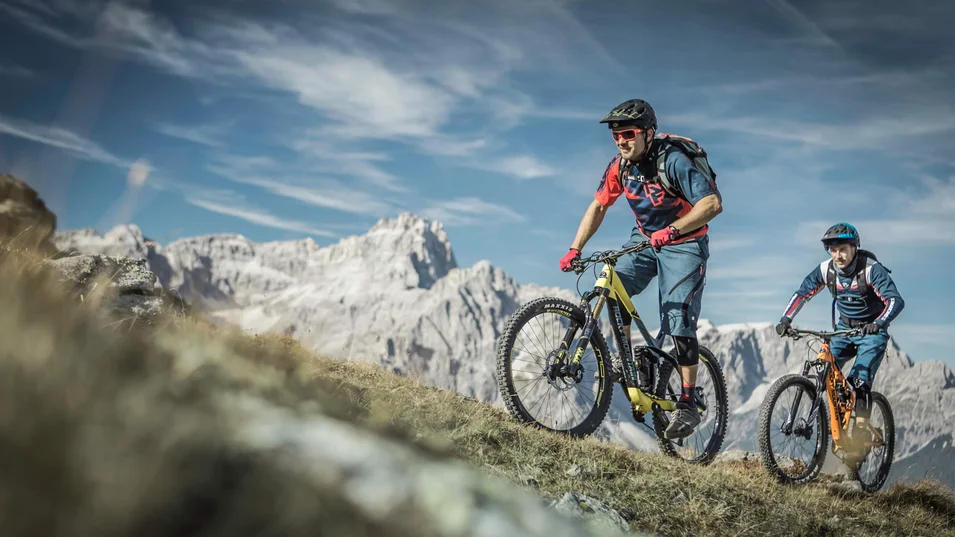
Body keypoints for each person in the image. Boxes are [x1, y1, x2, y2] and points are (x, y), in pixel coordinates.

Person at [559, 98, 723, 440]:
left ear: (648, 133)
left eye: (628, 134)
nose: (621, 141)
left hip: (686, 242)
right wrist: (576, 247)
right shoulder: (620, 167)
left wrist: (674, 229)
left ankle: (688, 402)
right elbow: (599, 206)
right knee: (613, 283)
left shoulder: (673, 161)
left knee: (678, 318)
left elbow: (711, 204)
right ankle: (629, 361)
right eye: (616, 136)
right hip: (646, 239)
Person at [774, 222, 904, 452]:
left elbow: (895, 300)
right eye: (833, 250)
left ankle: (861, 429)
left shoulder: (871, 269)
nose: (838, 255)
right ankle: (835, 422)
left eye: (842, 249)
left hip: (871, 332)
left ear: (854, 248)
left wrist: (879, 323)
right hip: (844, 330)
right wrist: (786, 319)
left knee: (859, 380)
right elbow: (802, 293)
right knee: (823, 371)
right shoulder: (827, 270)